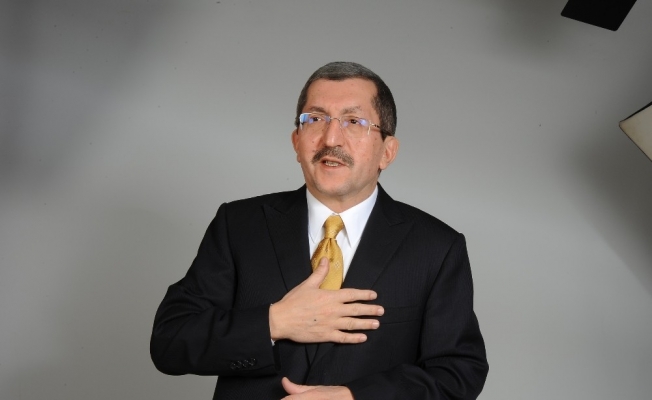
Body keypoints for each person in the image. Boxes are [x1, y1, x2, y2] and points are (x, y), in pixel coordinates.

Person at [150, 61, 488, 399]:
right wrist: (274, 322)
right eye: (315, 119)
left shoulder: (436, 247)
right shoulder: (238, 225)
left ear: (387, 152)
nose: (330, 138)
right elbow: (170, 341)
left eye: (353, 122)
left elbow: (459, 373)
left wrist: (354, 397)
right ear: (296, 141)